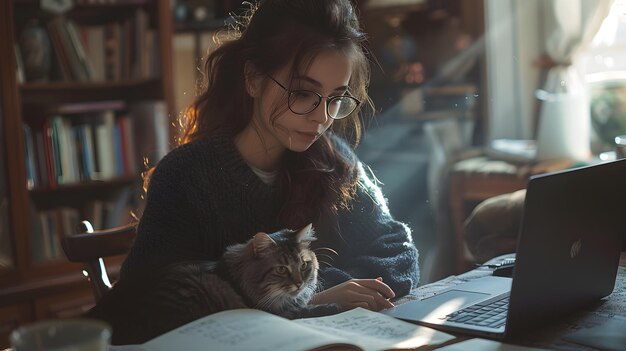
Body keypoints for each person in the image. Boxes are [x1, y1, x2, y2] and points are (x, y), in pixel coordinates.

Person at [120, 0, 419, 312]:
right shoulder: (185, 177)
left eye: (336, 99)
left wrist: (326, 288)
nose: (323, 118)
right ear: (252, 79)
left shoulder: (334, 160)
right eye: (303, 93)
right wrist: (310, 296)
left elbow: (398, 251)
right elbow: (145, 301)